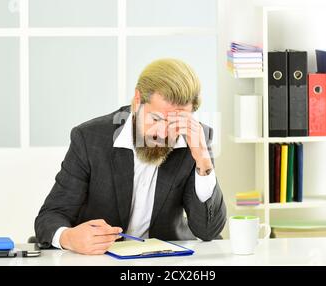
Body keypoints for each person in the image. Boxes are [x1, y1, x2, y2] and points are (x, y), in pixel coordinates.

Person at [35, 58, 226, 255]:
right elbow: (50, 216)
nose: (163, 134)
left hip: (165, 262)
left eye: (176, 123)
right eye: (155, 119)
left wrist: (203, 161)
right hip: (99, 260)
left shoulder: (195, 139)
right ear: (137, 101)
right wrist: (68, 238)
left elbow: (208, 231)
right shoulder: (89, 138)